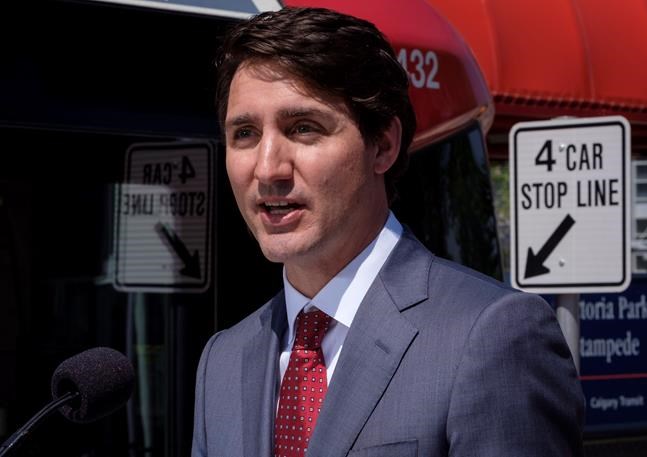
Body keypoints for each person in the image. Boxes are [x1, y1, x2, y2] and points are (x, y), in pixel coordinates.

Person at [192, 7, 584, 457]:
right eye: (244, 133)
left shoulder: (493, 336)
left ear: (383, 145)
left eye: (303, 128)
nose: (267, 168)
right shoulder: (222, 360)